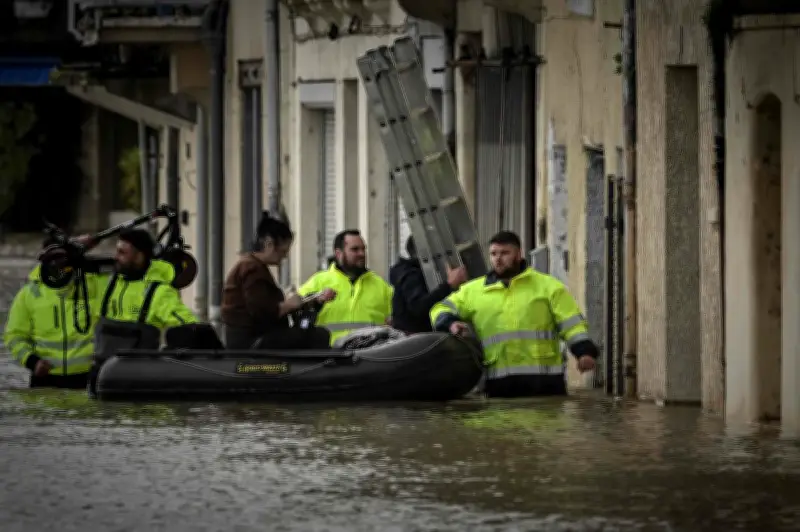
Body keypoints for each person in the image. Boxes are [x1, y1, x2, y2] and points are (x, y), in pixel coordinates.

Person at [430, 230, 598, 398]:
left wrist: (583, 351)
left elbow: (571, 324)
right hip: (499, 385)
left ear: (518, 254)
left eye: (504, 253)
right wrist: (450, 323)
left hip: (544, 385)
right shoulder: (472, 291)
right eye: (493, 253)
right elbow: (439, 309)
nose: (498, 258)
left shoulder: (548, 286)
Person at [3, 234, 105, 388]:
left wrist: (83, 252)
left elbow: (128, 273)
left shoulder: (94, 285)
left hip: (89, 378)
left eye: (62, 257)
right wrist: (32, 361)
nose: (57, 263)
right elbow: (14, 336)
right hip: (45, 379)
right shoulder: (30, 293)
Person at [221, 212, 334, 349]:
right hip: (251, 341)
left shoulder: (253, 266)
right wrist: (288, 305)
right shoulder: (251, 268)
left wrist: (311, 301)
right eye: (283, 251)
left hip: (251, 338)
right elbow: (261, 312)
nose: (284, 256)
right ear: (269, 244)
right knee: (318, 336)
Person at [299, 229, 393, 345]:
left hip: (370, 356)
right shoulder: (318, 282)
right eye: (355, 249)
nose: (362, 254)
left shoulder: (381, 285)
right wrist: (316, 300)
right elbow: (297, 311)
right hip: (329, 355)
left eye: (363, 249)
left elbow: (397, 319)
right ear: (339, 254)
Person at [99, 228, 197, 327]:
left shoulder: (159, 292)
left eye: (122, 252)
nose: (116, 257)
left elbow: (190, 326)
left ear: (139, 257)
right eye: (117, 251)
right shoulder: (109, 284)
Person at [389, 235, 467, 333]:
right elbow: (419, 307)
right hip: (414, 340)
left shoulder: (414, 273)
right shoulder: (410, 275)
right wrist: (448, 284)